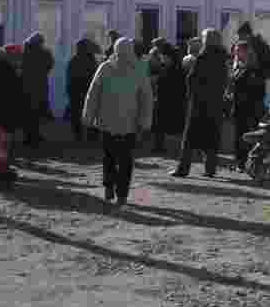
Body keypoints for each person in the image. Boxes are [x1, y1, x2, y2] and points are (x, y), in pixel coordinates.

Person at [82, 37, 154, 206]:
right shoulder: (131, 69)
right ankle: (118, 191)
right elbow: (146, 99)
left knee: (113, 158)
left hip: (117, 123)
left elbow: (93, 94)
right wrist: (144, 121)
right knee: (123, 160)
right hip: (124, 123)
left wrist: (89, 115)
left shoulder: (110, 68)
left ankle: (114, 189)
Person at [171, 29, 229, 178]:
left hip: (199, 103)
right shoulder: (223, 57)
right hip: (215, 102)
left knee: (189, 138)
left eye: (203, 38)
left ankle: (183, 168)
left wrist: (190, 94)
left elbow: (193, 79)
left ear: (207, 40)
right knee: (212, 137)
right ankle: (210, 169)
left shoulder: (203, 57)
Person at [230, 40, 269, 171]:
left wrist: (241, 94)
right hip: (239, 107)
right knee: (239, 135)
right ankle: (240, 162)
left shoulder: (254, 68)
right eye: (235, 50)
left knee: (248, 136)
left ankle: (247, 163)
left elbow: (258, 91)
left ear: (246, 52)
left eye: (238, 50)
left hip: (250, 108)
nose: (235, 52)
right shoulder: (238, 66)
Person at [152, 41, 187, 155]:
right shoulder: (169, 67)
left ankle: (176, 147)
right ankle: (159, 145)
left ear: (168, 56)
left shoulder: (175, 69)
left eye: (163, 56)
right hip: (164, 100)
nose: (161, 58)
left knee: (168, 125)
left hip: (170, 100)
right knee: (160, 125)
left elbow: (176, 85)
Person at [21, 32, 54, 149]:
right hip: (39, 86)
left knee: (28, 112)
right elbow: (49, 65)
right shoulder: (43, 53)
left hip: (26, 86)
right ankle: (34, 136)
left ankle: (29, 136)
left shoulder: (24, 52)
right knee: (35, 112)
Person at [67, 39, 100, 142]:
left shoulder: (74, 60)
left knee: (77, 114)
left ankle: (79, 136)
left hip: (76, 91)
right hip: (87, 90)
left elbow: (70, 77)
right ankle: (91, 136)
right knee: (91, 112)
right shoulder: (91, 59)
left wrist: (69, 90)